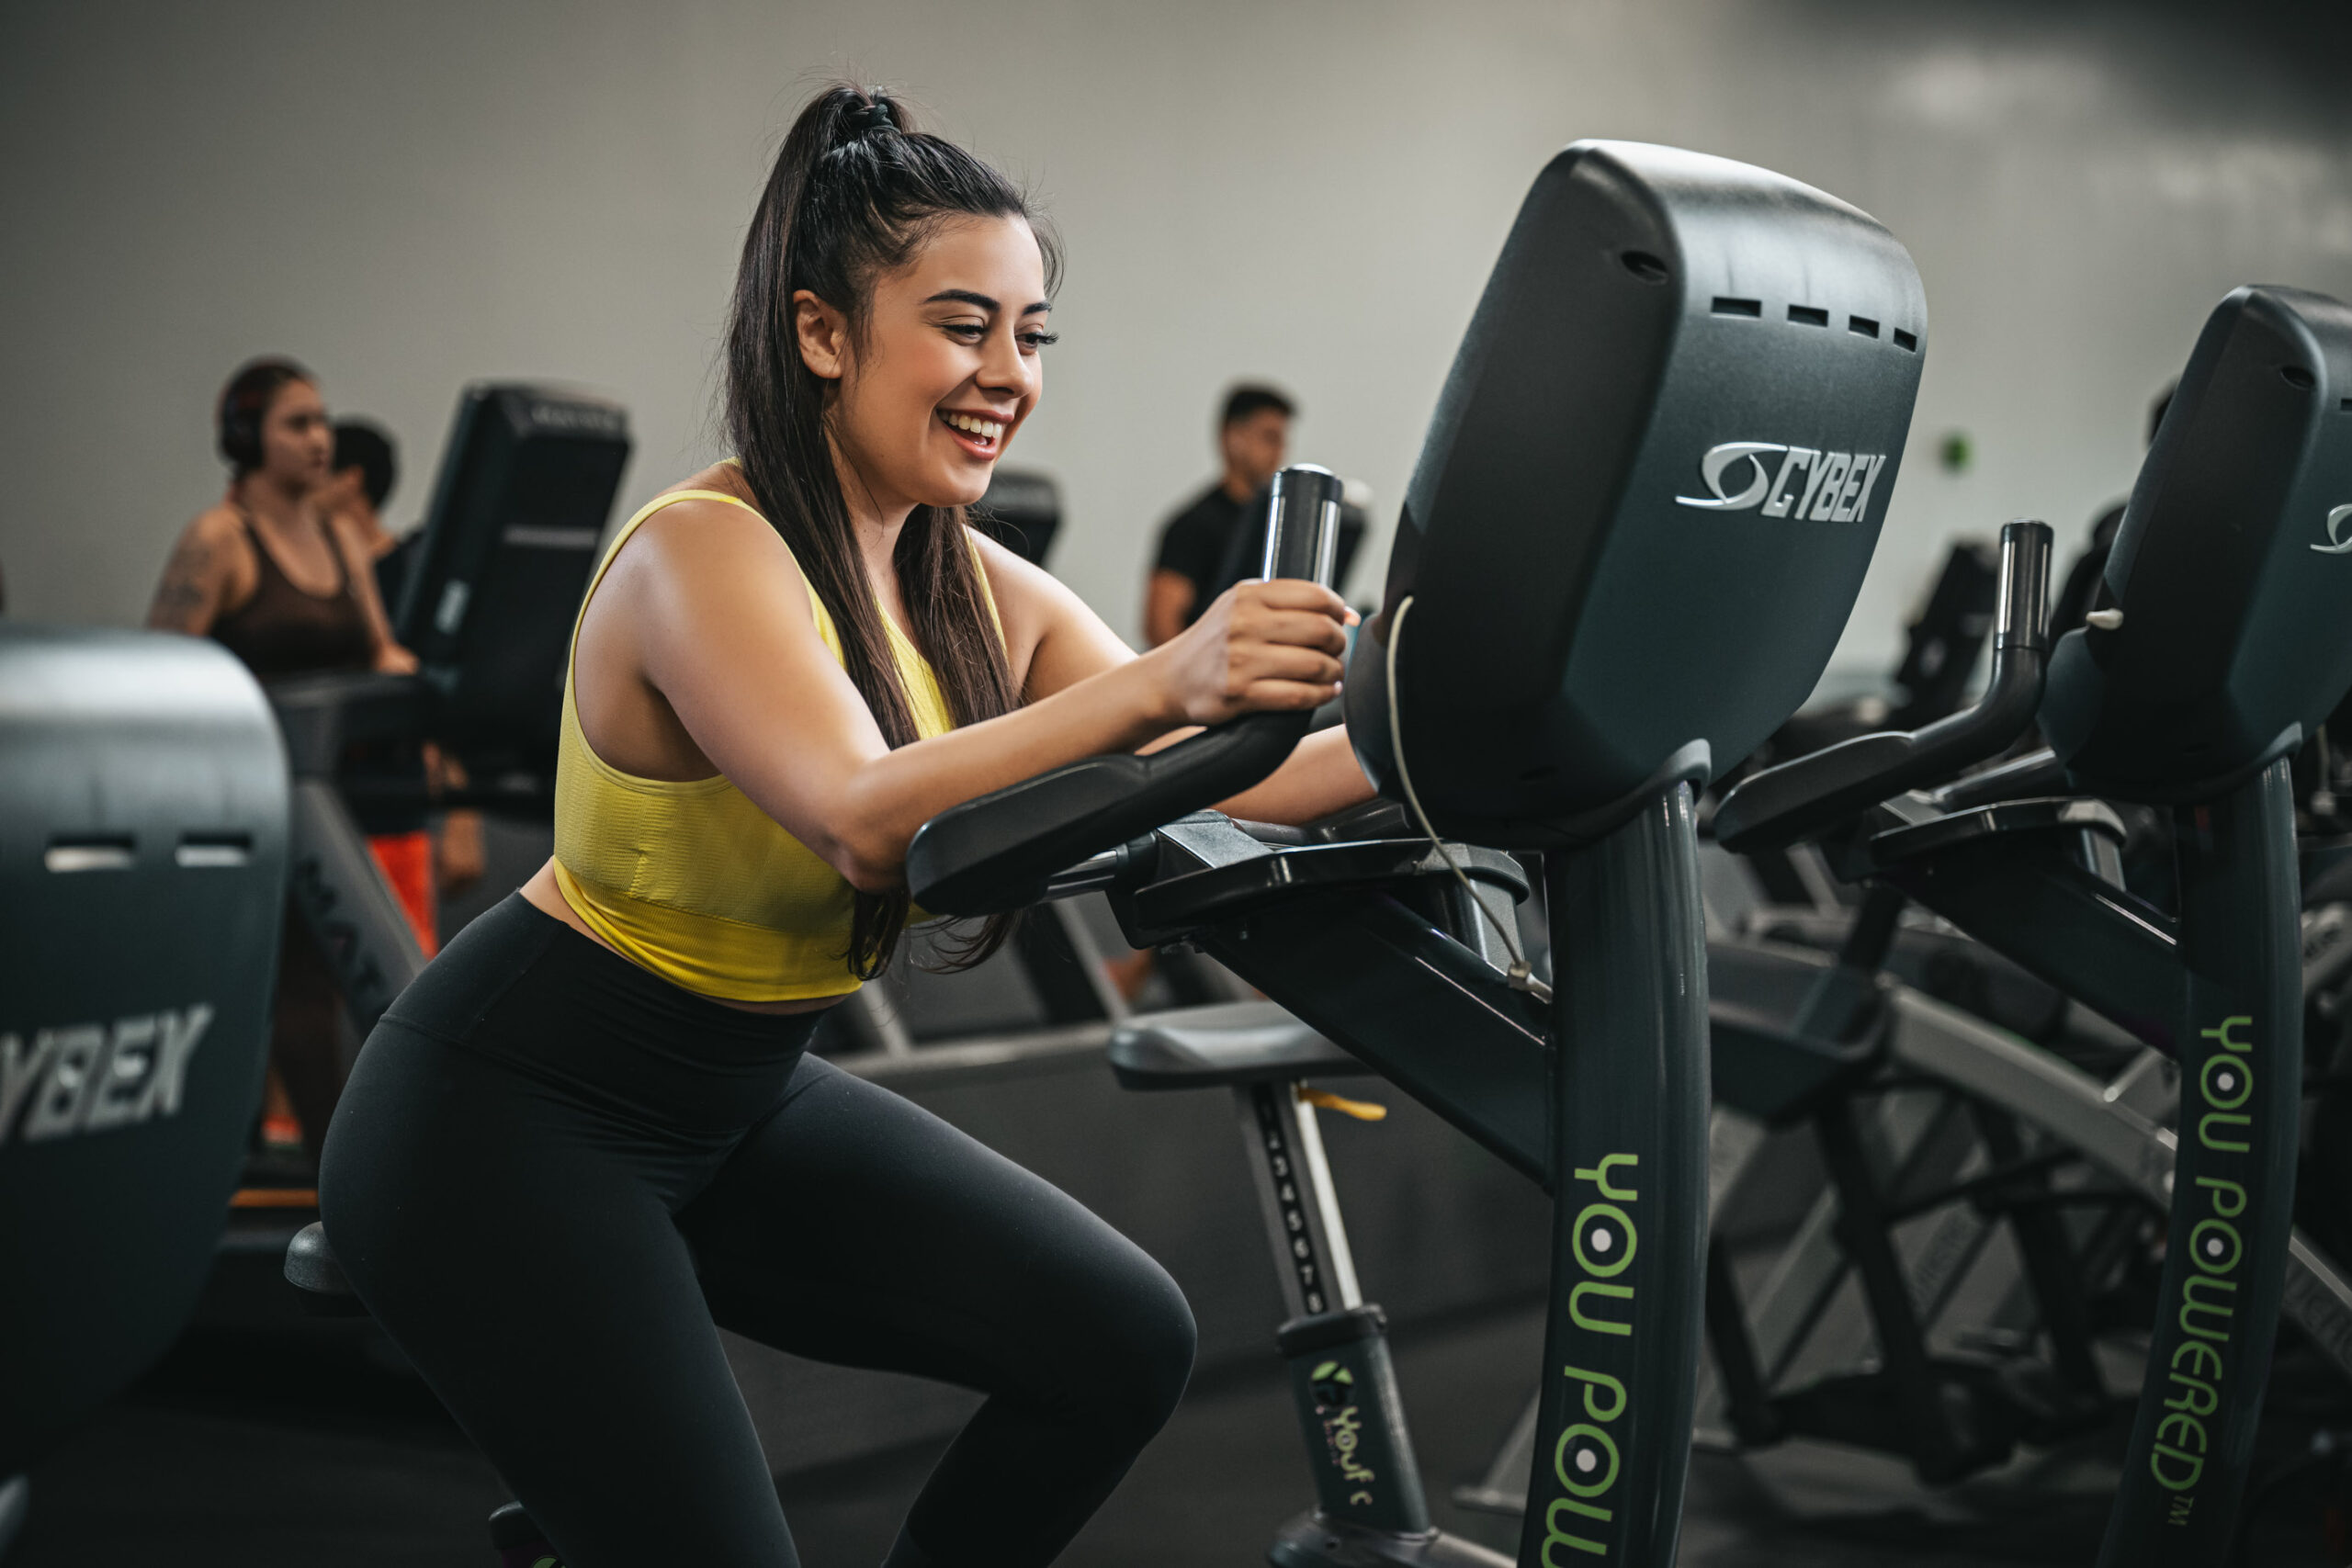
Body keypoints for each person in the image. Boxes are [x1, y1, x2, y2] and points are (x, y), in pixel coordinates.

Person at [318, 85, 1370, 1568]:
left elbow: (1248, 770)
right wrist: (1166, 673)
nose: (1010, 372)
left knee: (1116, 1343)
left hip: (737, 1097)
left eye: (1031, 334)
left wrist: (1466, 734)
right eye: (963, 325)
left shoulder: (973, 582)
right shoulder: (704, 551)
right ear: (822, 332)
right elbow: (862, 818)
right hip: (504, 1119)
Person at [149, 358, 418, 1165]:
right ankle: (323, 1173)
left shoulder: (338, 537)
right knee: (278, 989)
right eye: (296, 423)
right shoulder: (218, 542)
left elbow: (381, 653)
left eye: (321, 422)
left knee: (314, 982)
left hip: (322, 801)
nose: (317, 438)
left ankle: (338, 1172)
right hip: (240, 802)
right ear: (247, 438)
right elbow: (162, 671)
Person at [319, 417, 488, 925]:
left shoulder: (415, 570)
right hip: (319, 799)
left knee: (397, 966)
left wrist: (462, 816)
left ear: (349, 480)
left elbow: (446, 698)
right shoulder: (309, 584)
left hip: (394, 806)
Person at [1142, 382, 1293, 646]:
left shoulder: (1279, 525)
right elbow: (1160, 627)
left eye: (1282, 440)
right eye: (1270, 438)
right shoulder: (1191, 526)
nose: (1279, 451)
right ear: (1234, 438)